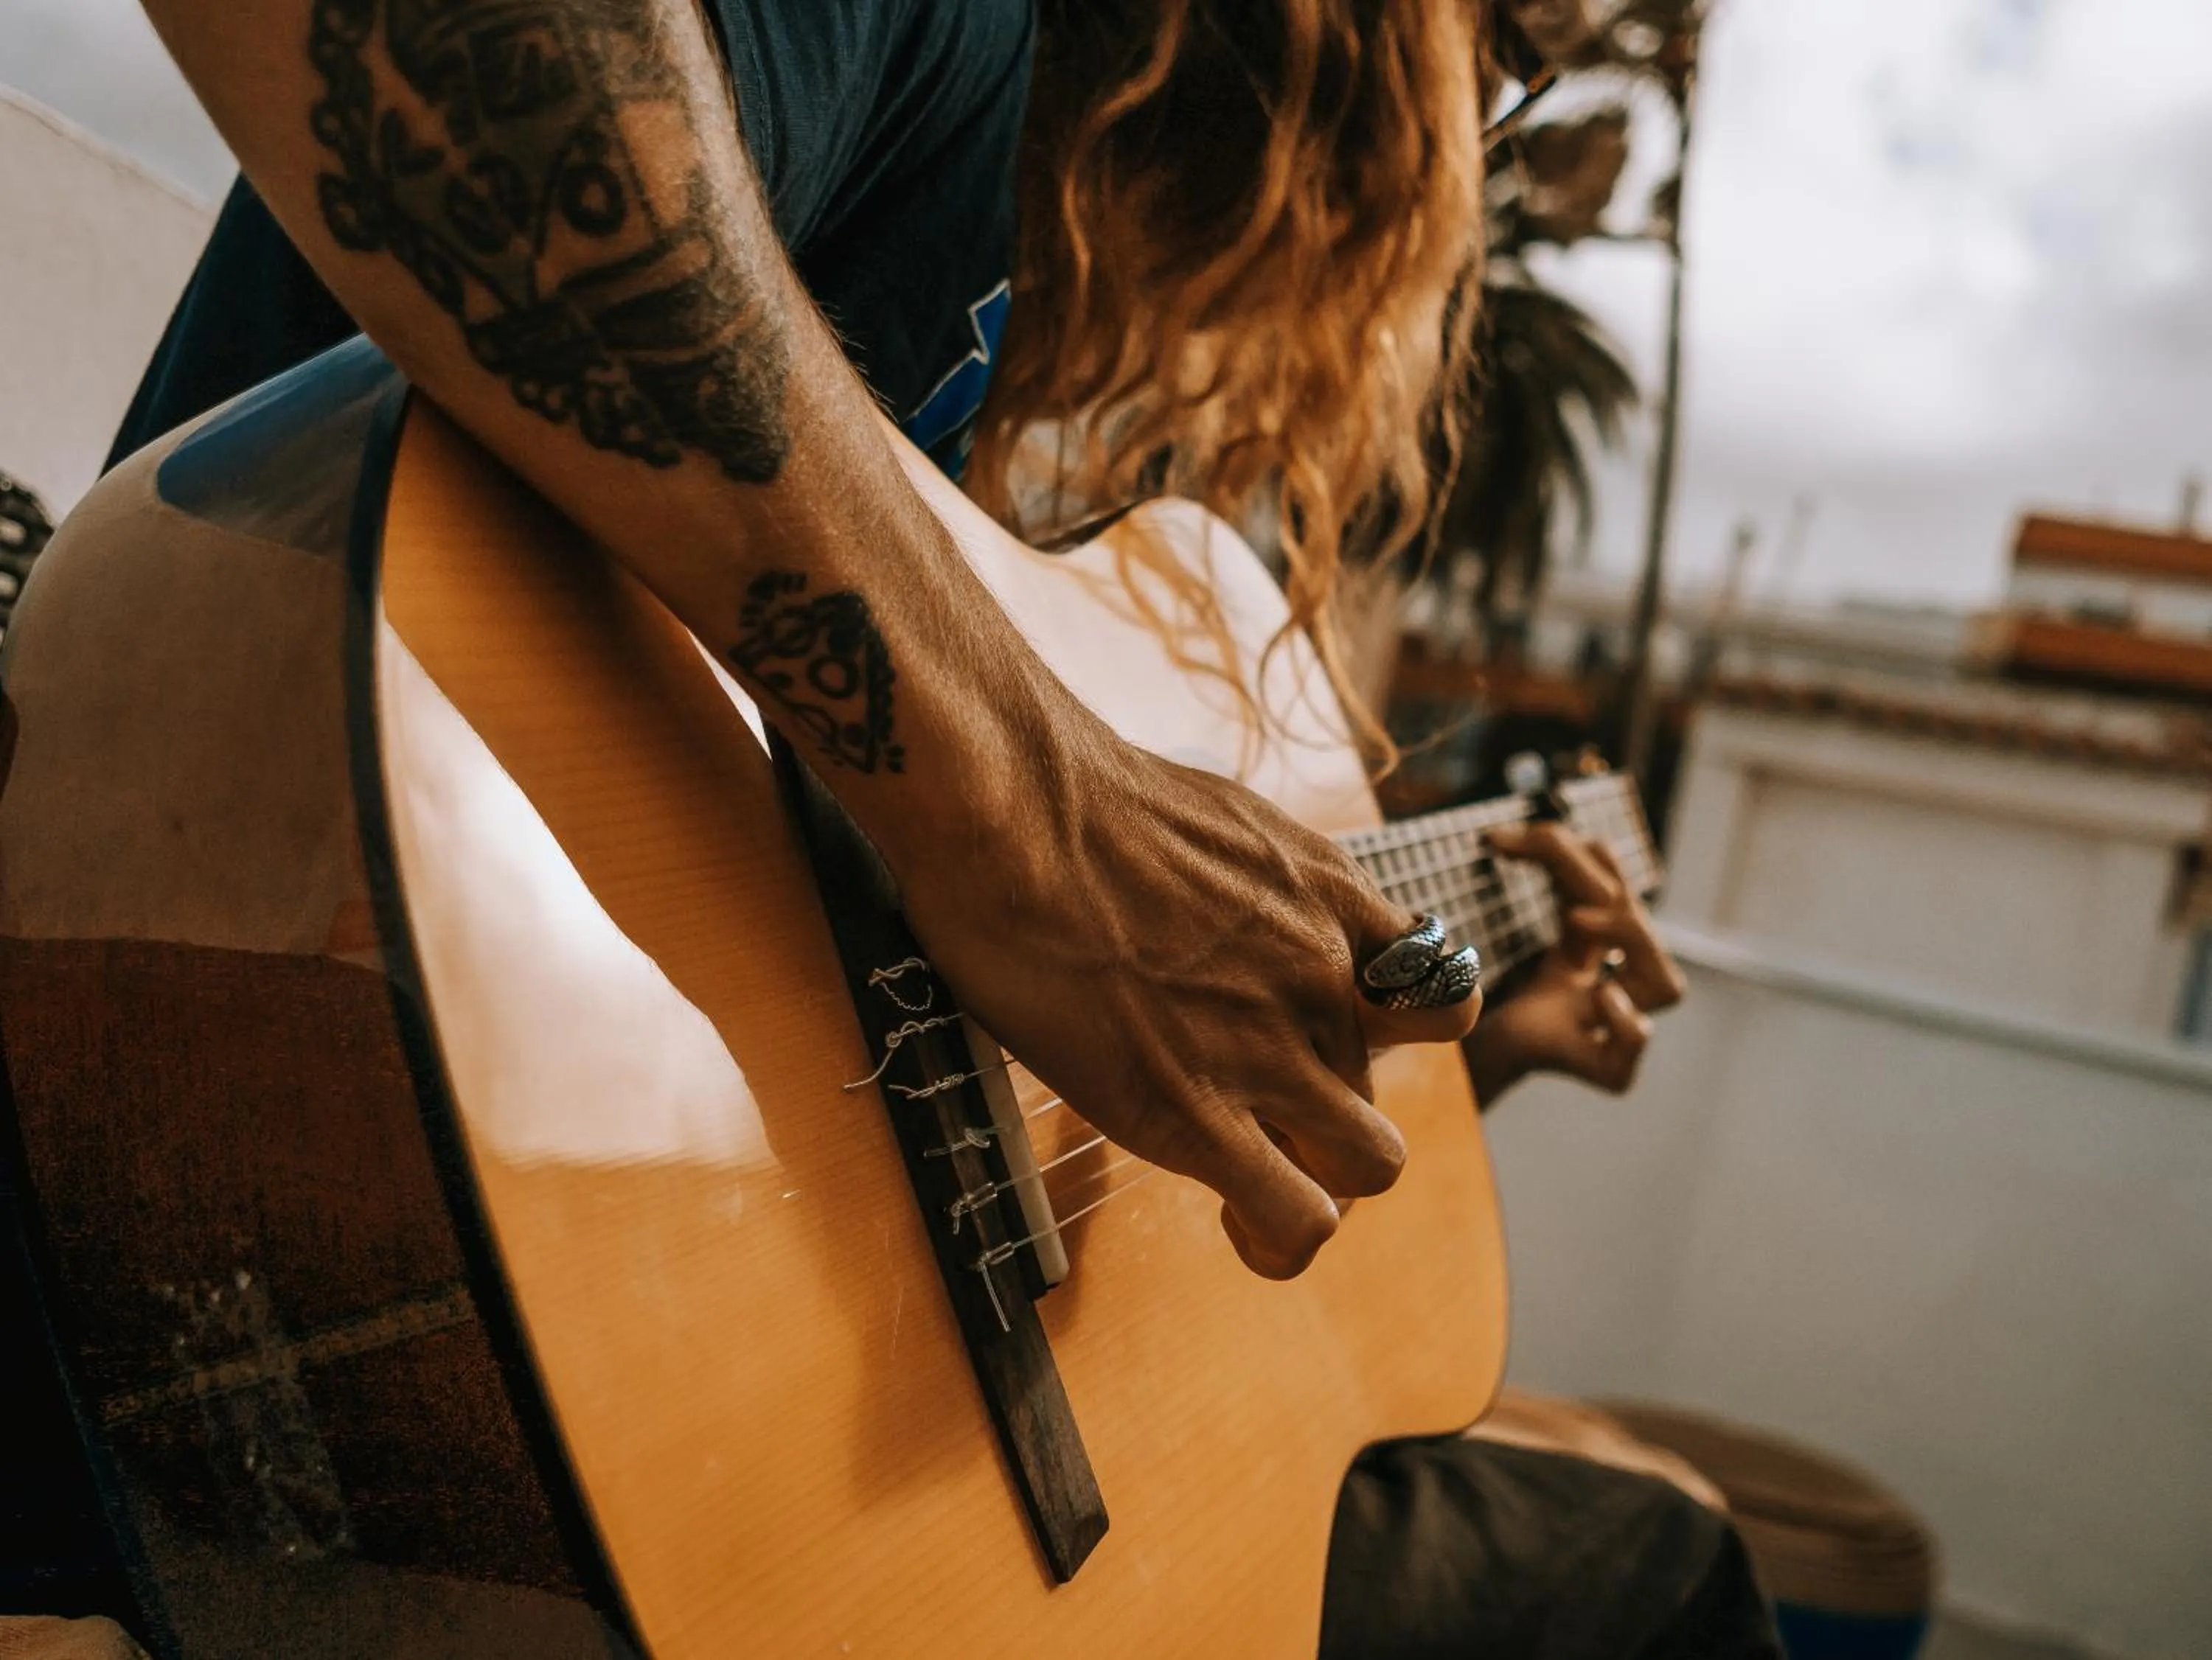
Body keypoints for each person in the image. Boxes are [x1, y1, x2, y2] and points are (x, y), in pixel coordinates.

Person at [101, 0, 1779, 1653]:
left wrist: (1444, 1051)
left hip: (626, 1441)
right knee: (1658, 1578)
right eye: (1496, 53)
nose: (1465, 156)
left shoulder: (952, 379)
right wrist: (1041, 821)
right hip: (205, 1280)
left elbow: (930, 1094)